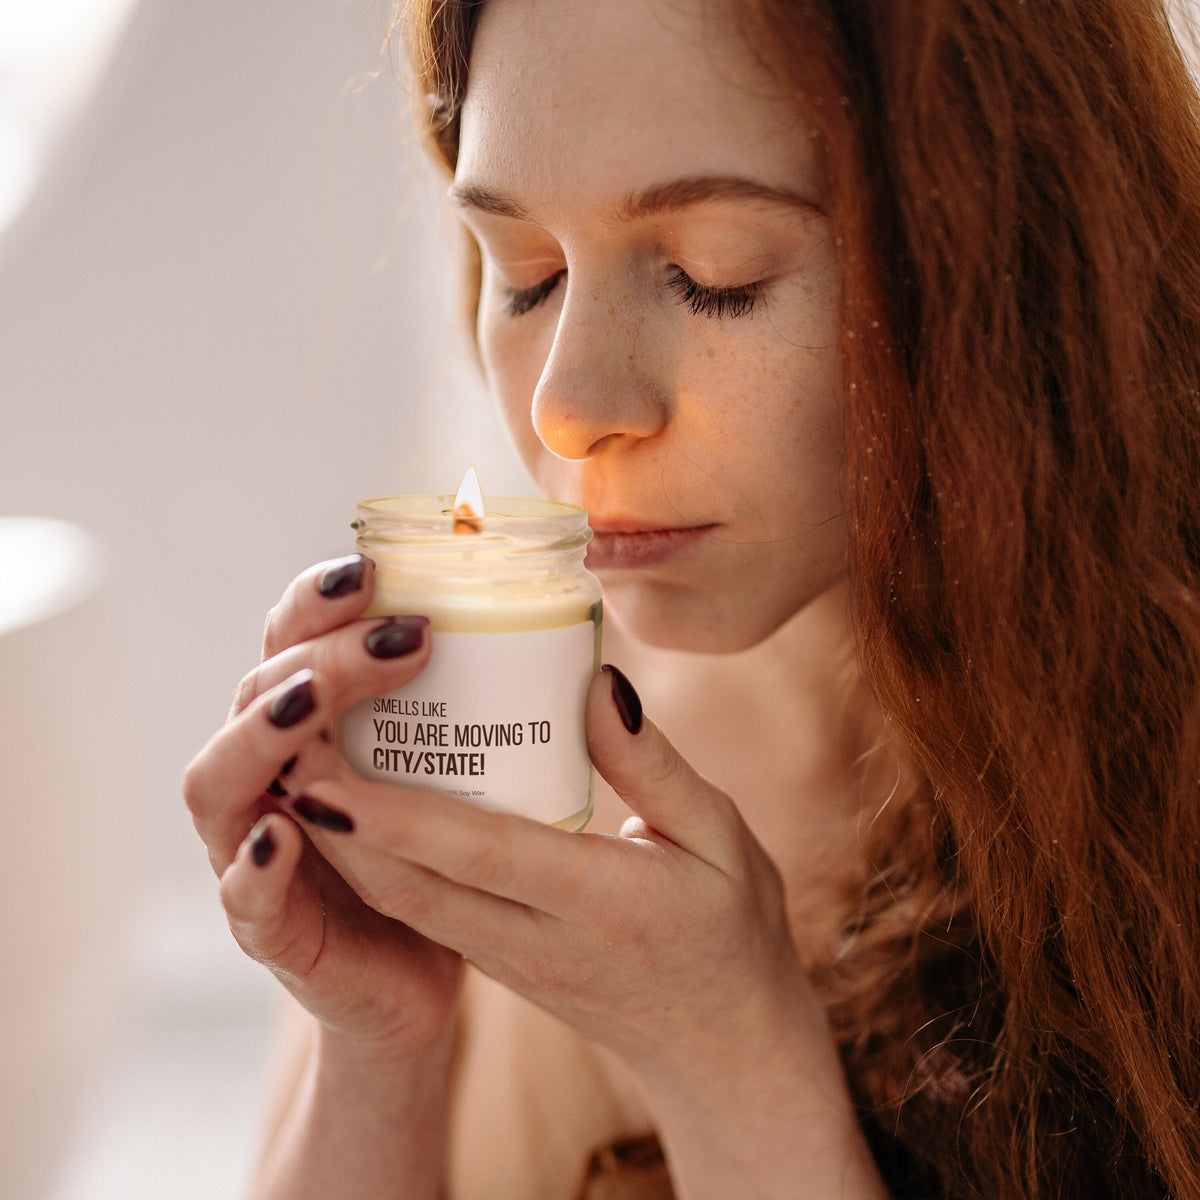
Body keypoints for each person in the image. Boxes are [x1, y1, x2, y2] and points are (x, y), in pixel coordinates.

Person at [183, 0, 1200, 1195]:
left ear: (1009, 246)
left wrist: (734, 1068)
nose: (569, 405)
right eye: (528, 274)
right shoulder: (491, 731)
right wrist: (381, 1044)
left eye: (713, 276)